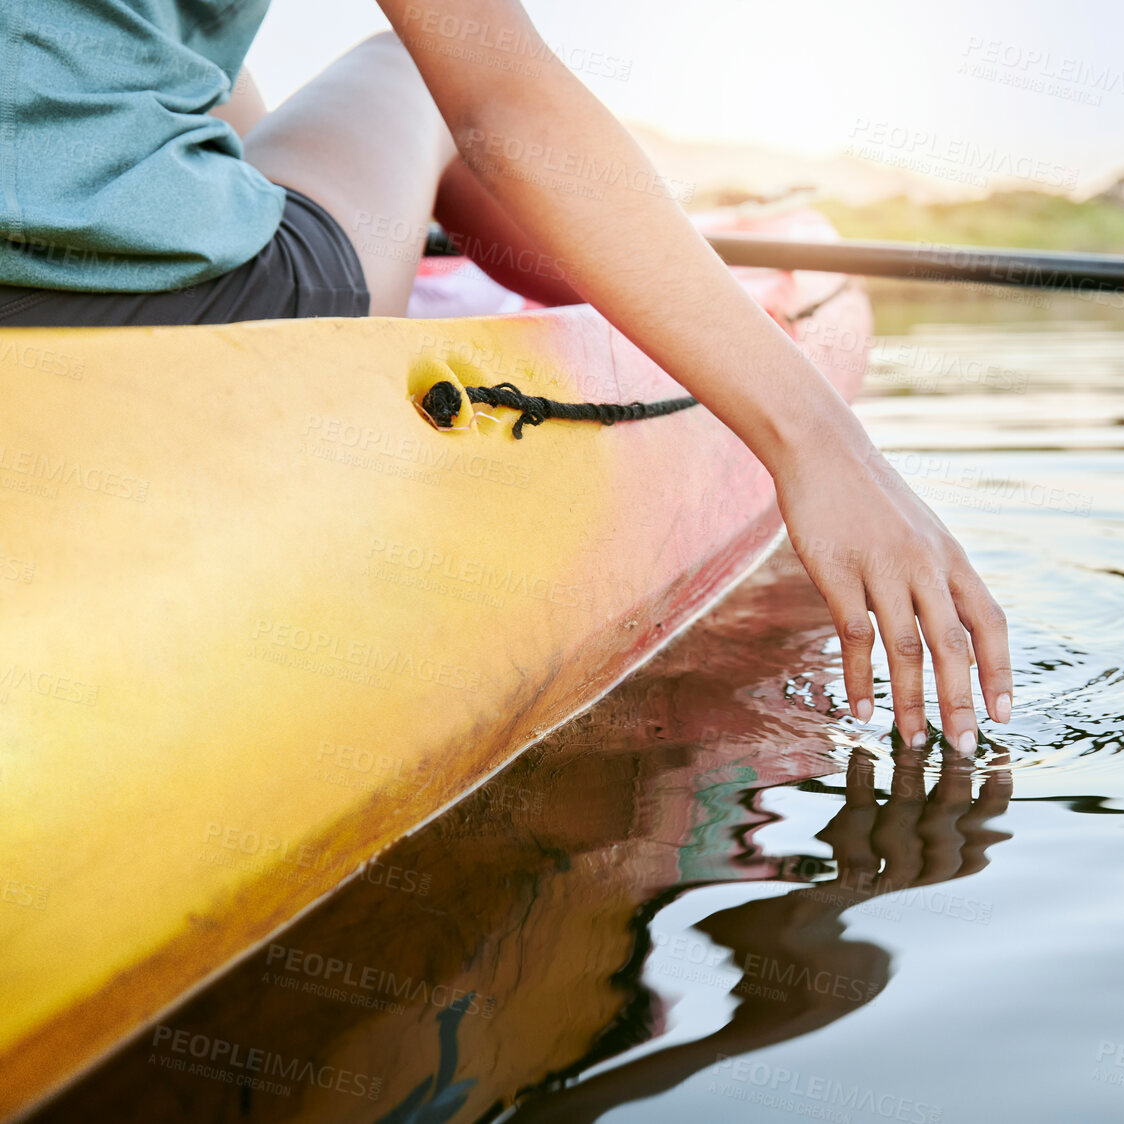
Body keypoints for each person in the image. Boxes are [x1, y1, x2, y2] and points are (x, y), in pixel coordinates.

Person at [0, 1, 1011, 752]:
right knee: (412, 67)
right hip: (159, 300)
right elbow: (501, 100)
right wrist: (820, 441)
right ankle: (649, 269)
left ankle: (649, 254)